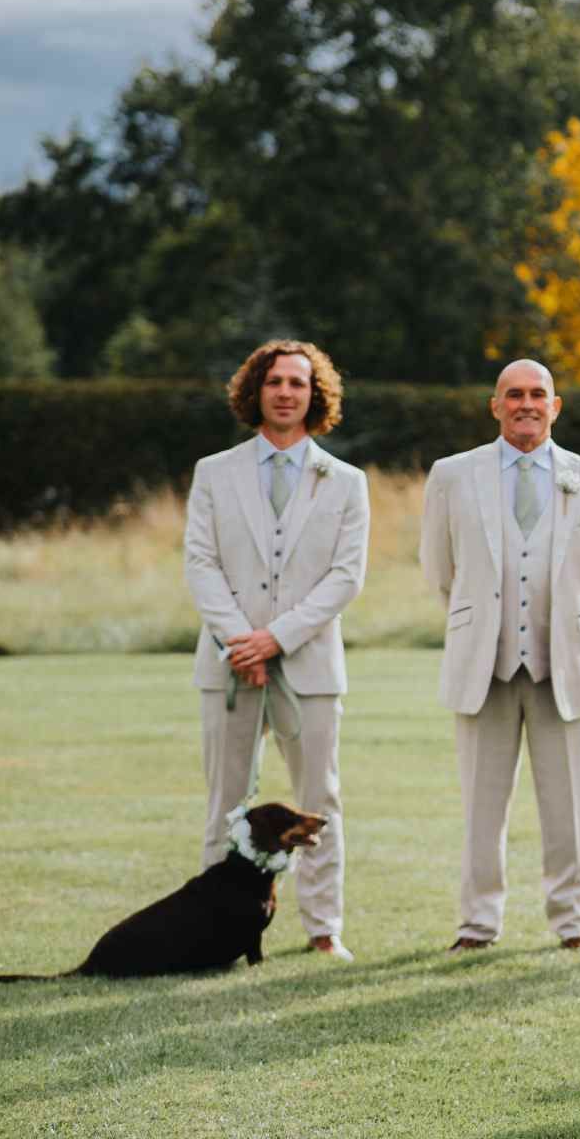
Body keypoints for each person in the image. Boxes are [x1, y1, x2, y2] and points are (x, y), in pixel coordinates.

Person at [420, 359, 580, 952]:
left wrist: (569, 627)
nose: (526, 404)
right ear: (496, 406)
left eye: (538, 394)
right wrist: (479, 624)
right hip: (482, 666)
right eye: (514, 395)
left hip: (562, 663)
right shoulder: (452, 476)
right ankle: (478, 924)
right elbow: (439, 569)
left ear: (555, 406)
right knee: (481, 807)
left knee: (569, 805)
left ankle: (573, 923)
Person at [185, 339, 369, 961]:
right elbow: (201, 563)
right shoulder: (214, 473)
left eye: (298, 382)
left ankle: (323, 928)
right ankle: (212, 932)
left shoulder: (347, 482)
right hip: (230, 662)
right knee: (226, 801)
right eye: (274, 381)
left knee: (320, 799)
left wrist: (277, 638)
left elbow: (346, 577)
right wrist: (243, 642)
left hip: (311, 665)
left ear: (315, 395)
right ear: (255, 391)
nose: (286, 392)